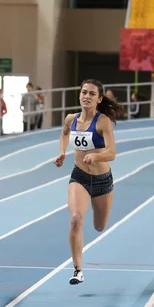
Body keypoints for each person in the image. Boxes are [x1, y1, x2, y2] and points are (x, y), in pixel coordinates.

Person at [54, 79, 123, 286]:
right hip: (80, 177)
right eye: (84, 92)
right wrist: (63, 152)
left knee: (99, 226)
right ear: (79, 95)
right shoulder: (71, 119)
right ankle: (77, 270)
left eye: (92, 94)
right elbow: (65, 133)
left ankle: (98, 210)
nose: (86, 96)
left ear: (99, 99)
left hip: (102, 180)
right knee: (76, 218)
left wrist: (97, 156)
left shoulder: (103, 122)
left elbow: (112, 152)